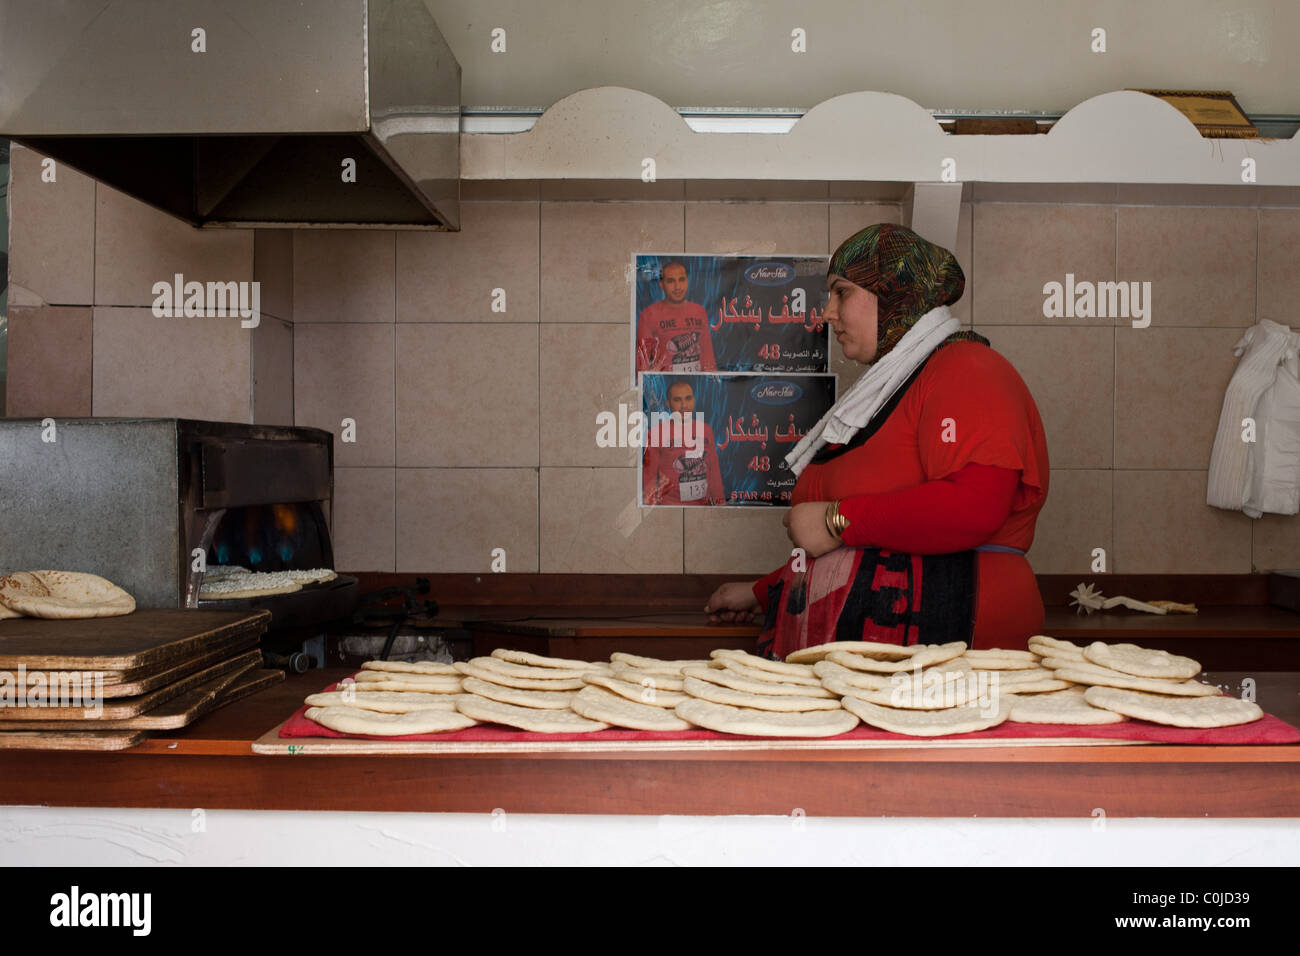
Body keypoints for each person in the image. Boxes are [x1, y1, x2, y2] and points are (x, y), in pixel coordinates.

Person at [703, 223, 1049, 656]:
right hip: (863, 655)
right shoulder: (888, 391)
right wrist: (764, 591)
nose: (827, 313)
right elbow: (872, 537)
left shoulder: (968, 369)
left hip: (951, 640)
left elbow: (975, 506)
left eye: (841, 292)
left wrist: (835, 520)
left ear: (893, 292)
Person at [642, 380, 726, 506]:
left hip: (703, 507)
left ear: (693, 400)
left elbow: (713, 471)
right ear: (668, 404)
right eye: (677, 400)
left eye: (688, 398)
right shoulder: (655, 432)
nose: (684, 405)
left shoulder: (706, 430)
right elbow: (649, 477)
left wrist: (720, 502)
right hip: (670, 507)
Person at [636, 261, 718, 373]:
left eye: (681, 280)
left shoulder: (699, 311)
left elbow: (708, 358)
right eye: (670, 281)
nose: (677, 286)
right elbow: (642, 365)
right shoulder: (649, 315)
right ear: (661, 285)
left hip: (697, 382)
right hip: (666, 385)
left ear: (687, 282)